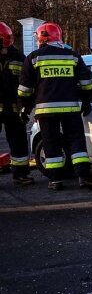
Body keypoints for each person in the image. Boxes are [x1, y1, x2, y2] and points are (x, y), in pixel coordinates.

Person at [17, 22, 92, 190]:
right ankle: (83, 176)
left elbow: (25, 90)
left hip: (45, 111)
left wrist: (25, 108)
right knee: (77, 142)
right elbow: (86, 82)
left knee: (51, 143)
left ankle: (55, 180)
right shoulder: (73, 56)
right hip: (70, 109)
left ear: (42, 37)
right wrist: (86, 101)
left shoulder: (33, 58)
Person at [0, 22, 33, 185]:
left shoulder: (20, 59)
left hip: (14, 109)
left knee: (18, 142)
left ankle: (20, 174)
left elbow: (27, 83)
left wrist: (26, 106)